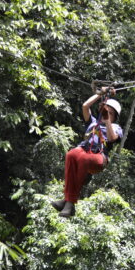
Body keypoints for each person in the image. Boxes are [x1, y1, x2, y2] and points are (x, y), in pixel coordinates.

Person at [51, 87, 123, 217]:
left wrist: (107, 121)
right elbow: (85, 106)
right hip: (83, 151)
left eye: (111, 113)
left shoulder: (115, 127)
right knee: (71, 154)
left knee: (83, 158)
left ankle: (70, 202)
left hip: (99, 157)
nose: (107, 114)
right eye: (106, 111)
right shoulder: (93, 123)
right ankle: (67, 201)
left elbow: (112, 138)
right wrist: (100, 93)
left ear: (115, 117)